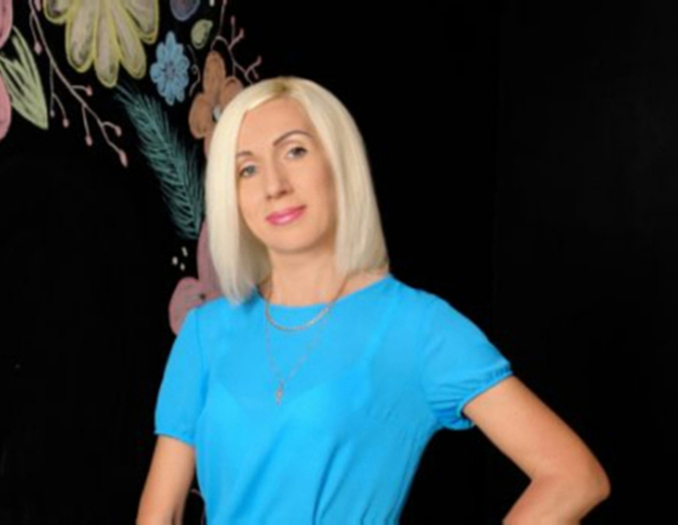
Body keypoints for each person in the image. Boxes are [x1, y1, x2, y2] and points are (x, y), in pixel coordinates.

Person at [137, 77, 610, 524]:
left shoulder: (417, 327)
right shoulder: (205, 333)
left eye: (295, 151)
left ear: (338, 161)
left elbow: (573, 477)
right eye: (247, 169)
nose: (274, 184)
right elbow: (158, 515)